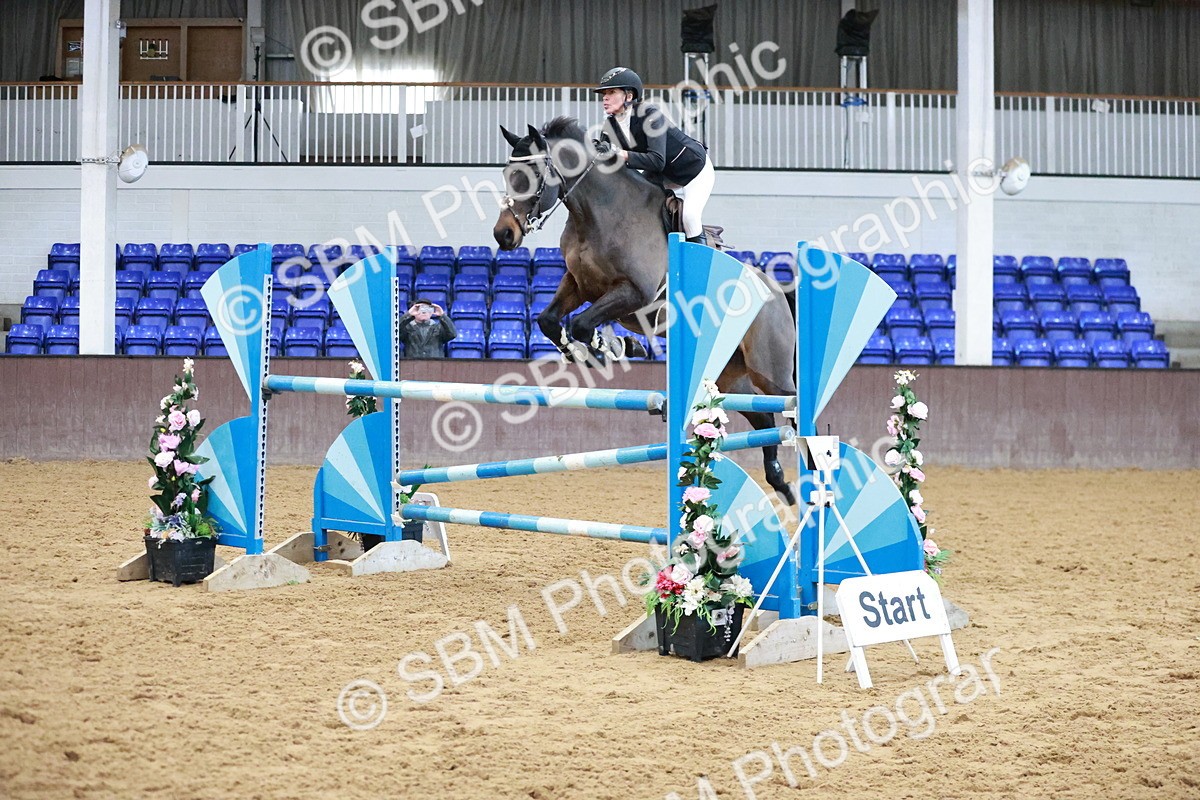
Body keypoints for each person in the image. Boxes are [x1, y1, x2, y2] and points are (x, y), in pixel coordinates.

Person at [594, 66, 715, 245]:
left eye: (612, 92)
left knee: (690, 216)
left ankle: (699, 267)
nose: (605, 97)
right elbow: (608, 162)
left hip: (694, 170)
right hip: (663, 173)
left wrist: (619, 153)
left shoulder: (650, 115)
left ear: (629, 96)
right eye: (604, 93)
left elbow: (657, 161)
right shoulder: (609, 126)